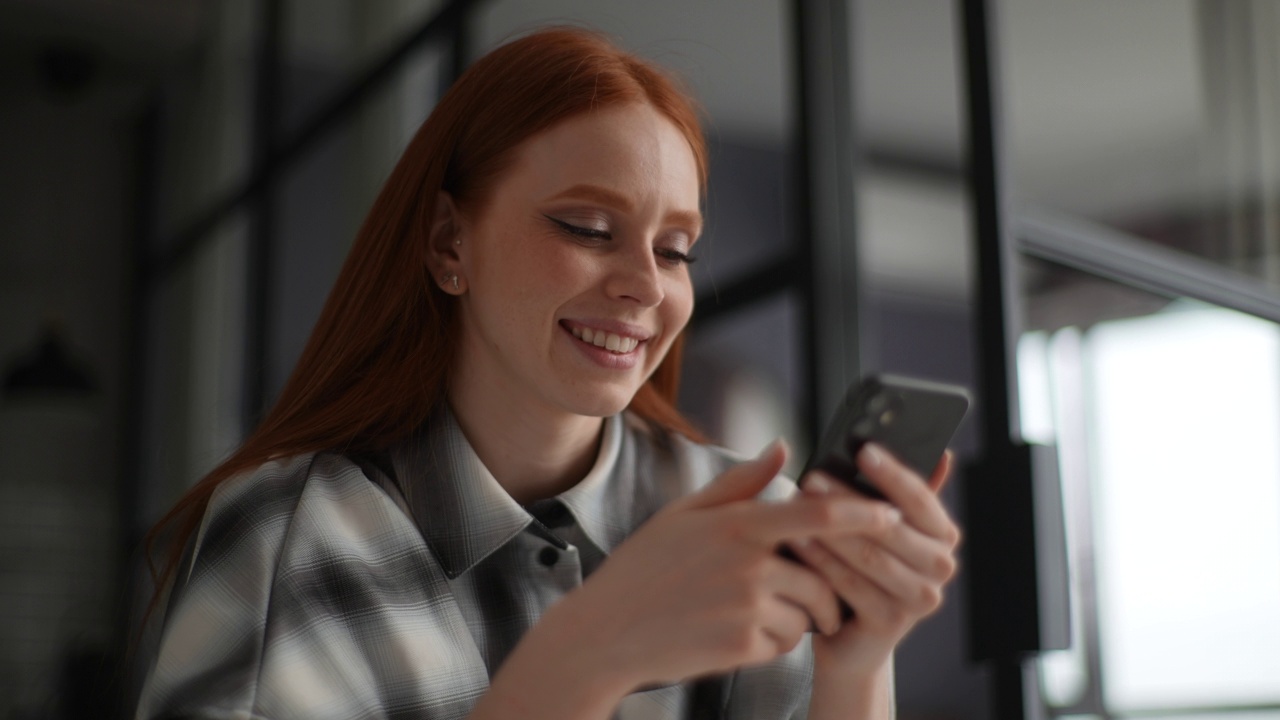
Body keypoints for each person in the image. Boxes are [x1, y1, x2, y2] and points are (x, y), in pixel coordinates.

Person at [135, 27, 960, 720]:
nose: (645, 283)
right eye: (589, 228)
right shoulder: (288, 537)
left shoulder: (747, 524)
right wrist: (582, 657)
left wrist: (857, 666)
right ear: (449, 244)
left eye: (674, 250)